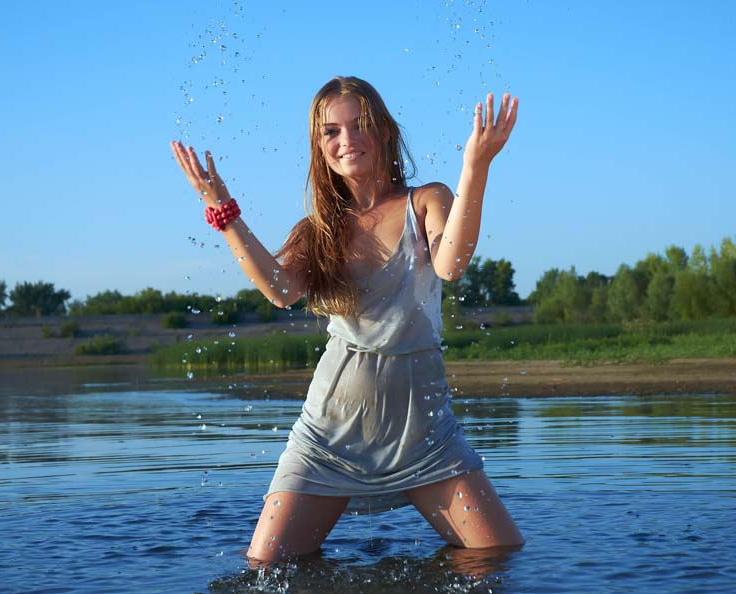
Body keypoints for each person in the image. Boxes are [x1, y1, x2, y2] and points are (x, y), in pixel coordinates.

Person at [170, 76, 523, 562]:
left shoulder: (426, 201)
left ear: (384, 132)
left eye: (360, 125)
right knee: (266, 567)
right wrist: (222, 211)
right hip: (330, 433)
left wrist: (476, 166)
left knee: (497, 556)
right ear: (320, 147)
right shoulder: (316, 231)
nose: (347, 140)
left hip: (424, 432)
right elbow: (281, 291)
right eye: (331, 132)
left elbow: (452, 263)